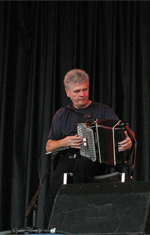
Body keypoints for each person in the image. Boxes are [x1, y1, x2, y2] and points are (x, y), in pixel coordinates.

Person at [45, 69, 135, 220]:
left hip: (95, 160)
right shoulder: (62, 114)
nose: (82, 94)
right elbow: (48, 146)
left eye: (85, 89)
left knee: (83, 164)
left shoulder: (102, 110)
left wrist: (128, 141)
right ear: (68, 92)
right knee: (55, 186)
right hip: (69, 158)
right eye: (77, 91)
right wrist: (65, 141)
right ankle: (54, 224)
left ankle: (84, 215)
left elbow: (124, 131)